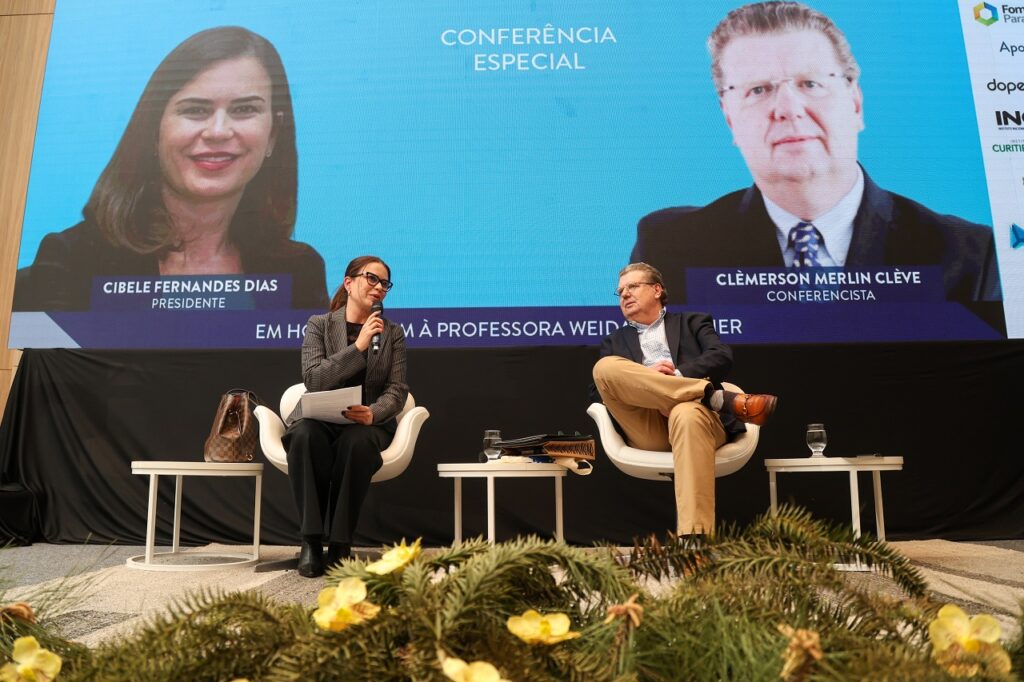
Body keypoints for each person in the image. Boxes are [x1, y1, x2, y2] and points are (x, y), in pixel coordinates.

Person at [630, 2, 1001, 313]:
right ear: (730, 117)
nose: (788, 109)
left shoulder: (966, 253)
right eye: (758, 89)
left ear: (855, 102)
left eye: (810, 84)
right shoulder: (670, 244)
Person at [13, 26, 328, 311]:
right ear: (154, 130)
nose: (218, 131)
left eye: (244, 109)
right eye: (195, 110)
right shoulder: (74, 259)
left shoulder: (300, 270)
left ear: (273, 133)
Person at [590, 263, 776, 537]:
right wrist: (646, 380)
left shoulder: (692, 322)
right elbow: (601, 392)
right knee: (604, 368)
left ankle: (694, 540)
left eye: (632, 287)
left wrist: (677, 375)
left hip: (696, 419)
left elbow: (721, 356)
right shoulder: (614, 342)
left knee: (684, 413)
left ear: (657, 290)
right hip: (647, 428)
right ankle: (712, 397)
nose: (624, 295)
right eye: (619, 292)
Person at [282, 255, 408, 578]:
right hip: (321, 420)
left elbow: (397, 390)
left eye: (385, 283)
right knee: (304, 435)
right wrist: (359, 346)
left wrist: (374, 412)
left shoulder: (392, 334)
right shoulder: (319, 325)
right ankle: (310, 540)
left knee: (358, 442)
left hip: (365, 424)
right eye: (372, 279)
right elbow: (313, 379)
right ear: (349, 283)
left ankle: (340, 543)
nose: (379, 288)